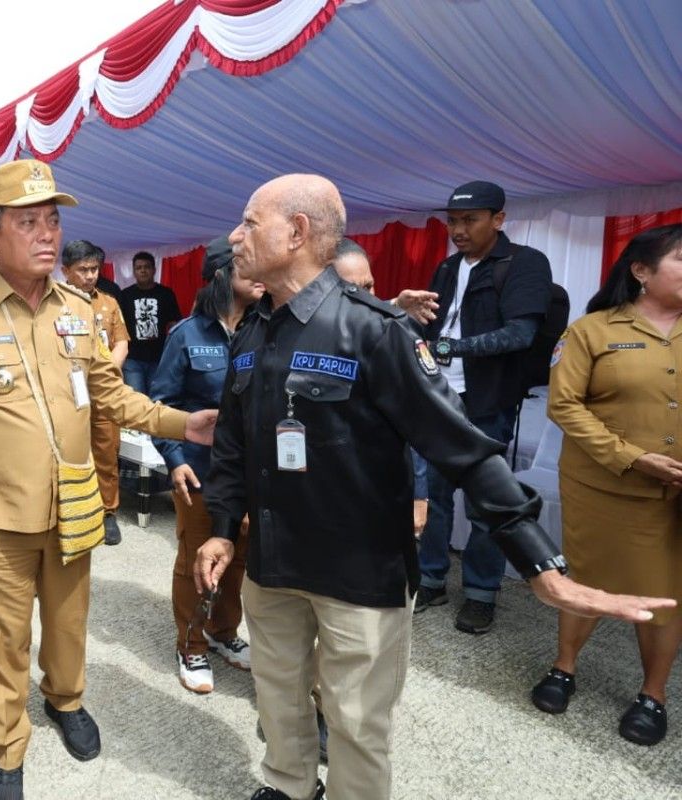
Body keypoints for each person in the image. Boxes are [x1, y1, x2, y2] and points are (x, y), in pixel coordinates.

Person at [195, 173, 673, 800]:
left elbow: (467, 451)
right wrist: (223, 530)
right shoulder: (254, 332)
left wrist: (540, 565)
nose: (235, 236)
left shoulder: (376, 331)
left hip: (358, 574)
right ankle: (288, 786)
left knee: (357, 723)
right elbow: (234, 443)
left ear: (297, 232)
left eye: (249, 222)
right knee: (278, 697)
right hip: (273, 566)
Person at [0, 158, 217, 800]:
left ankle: (66, 699)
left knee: (67, 620)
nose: (47, 234)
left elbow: (113, 396)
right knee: (0, 639)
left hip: (71, 507)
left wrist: (181, 423)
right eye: (28, 222)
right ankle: (6, 745)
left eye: (52, 220)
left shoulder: (81, 310)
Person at [530, 224, 682, 746]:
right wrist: (631, 457)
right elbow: (564, 406)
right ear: (641, 271)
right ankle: (563, 666)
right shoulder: (592, 330)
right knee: (589, 577)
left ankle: (653, 694)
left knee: (667, 592)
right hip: (605, 487)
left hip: (675, 497)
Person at [412, 181, 554, 634]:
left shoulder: (525, 264)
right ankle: (431, 579)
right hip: (436, 396)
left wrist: (452, 347)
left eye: (470, 220)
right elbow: (431, 327)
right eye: (453, 221)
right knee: (431, 498)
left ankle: (480, 593)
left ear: (498, 219)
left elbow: (520, 335)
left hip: (487, 402)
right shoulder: (447, 267)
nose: (458, 229)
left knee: (484, 503)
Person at [151, 239, 263, 694]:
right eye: (245, 266)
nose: (259, 272)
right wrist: (174, 461)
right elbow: (161, 403)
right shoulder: (187, 336)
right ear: (220, 274)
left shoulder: (265, 328)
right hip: (200, 472)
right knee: (197, 561)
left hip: (252, 473)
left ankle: (222, 633)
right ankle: (191, 643)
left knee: (237, 559)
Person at [332, 238, 431, 536]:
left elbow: (415, 421)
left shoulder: (390, 339)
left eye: (370, 287)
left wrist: (419, 494)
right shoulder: (292, 339)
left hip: (378, 492)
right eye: (351, 290)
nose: (366, 298)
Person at [61, 239, 130, 545]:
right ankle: (69, 511)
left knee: (105, 451)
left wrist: (105, 373)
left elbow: (121, 342)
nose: (89, 276)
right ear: (66, 271)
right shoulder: (53, 303)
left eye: (94, 269)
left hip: (102, 392)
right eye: (82, 270)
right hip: (65, 393)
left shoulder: (109, 302)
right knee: (67, 451)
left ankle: (108, 513)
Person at [118, 251, 181, 393]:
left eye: (146, 267)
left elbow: (174, 324)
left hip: (158, 357)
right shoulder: (125, 295)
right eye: (138, 268)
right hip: (132, 358)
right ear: (134, 271)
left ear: (154, 269)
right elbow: (118, 326)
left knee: (157, 399)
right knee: (137, 401)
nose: (143, 271)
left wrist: (172, 352)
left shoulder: (166, 293)